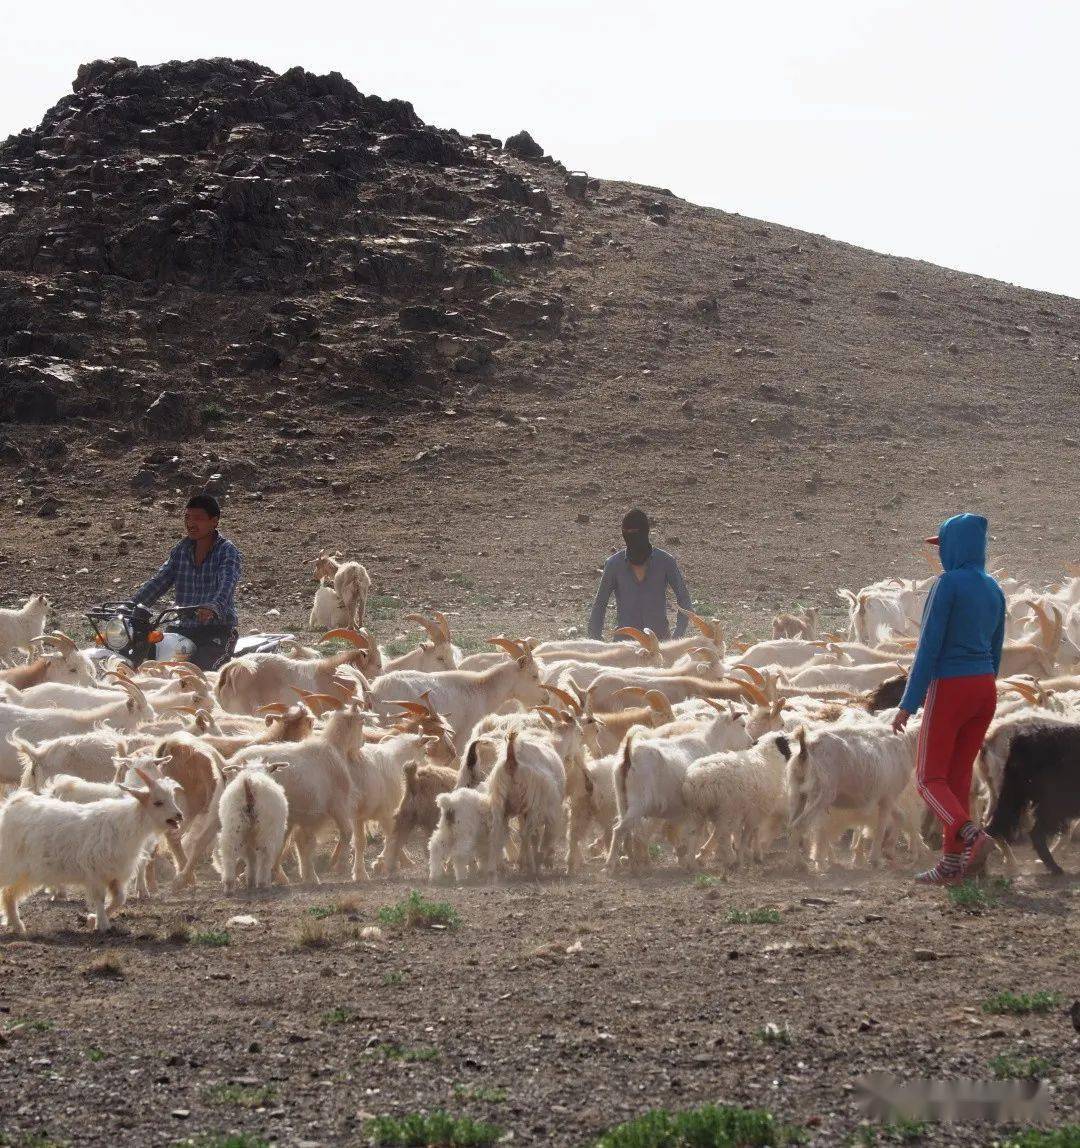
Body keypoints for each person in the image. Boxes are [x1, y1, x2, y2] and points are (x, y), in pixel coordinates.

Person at [891, 513, 1006, 885]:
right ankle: (952, 865)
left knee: (927, 779)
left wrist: (909, 701)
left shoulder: (947, 585)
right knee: (956, 779)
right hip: (985, 687)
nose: (941, 556)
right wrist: (983, 683)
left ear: (954, 547)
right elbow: (996, 649)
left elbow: (928, 646)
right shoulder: (994, 589)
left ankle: (973, 836)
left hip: (951, 685)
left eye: (943, 547)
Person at [129, 493, 242, 670]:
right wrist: (131, 605)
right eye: (187, 517)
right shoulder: (181, 549)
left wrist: (213, 607)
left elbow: (227, 583)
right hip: (182, 629)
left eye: (198, 518)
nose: (190, 524)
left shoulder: (227, 551)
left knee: (200, 673)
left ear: (214, 521)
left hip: (216, 630)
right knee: (150, 663)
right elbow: (160, 581)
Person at [587, 509, 693, 641]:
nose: (632, 540)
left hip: (659, 646)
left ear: (645, 532)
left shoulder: (665, 561)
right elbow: (600, 605)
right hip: (624, 647)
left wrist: (677, 637)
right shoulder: (614, 564)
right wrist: (596, 641)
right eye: (627, 534)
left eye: (635, 534)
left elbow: (684, 600)